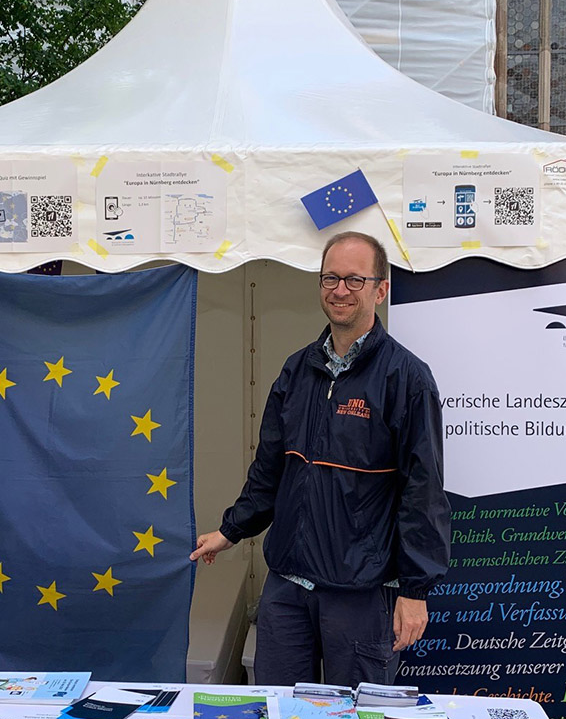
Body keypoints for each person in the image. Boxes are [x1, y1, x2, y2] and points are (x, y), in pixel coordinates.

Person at [190, 231, 450, 687]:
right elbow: (270, 469)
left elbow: (422, 491)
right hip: (288, 590)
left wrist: (414, 591)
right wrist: (232, 530)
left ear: (380, 289)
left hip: (361, 594)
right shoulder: (296, 370)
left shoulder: (406, 378)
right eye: (331, 278)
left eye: (354, 280)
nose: (340, 290)